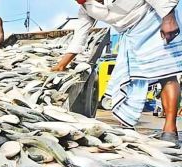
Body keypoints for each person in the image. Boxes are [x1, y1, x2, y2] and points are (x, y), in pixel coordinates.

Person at [52, 0, 181, 146]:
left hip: (154, 22)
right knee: (128, 79)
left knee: (166, 74)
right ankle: (127, 124)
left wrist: (168, 18)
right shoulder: (85, 7)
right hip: (129, 35)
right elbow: (80, 35)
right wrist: (62, 64)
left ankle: (170, 130)